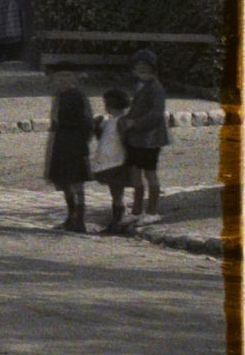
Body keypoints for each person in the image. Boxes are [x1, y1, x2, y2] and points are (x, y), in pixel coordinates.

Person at [123, 49, 171, 219]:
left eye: (146, 69)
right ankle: (136, 210)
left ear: (154, 70)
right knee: (135, 173)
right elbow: (136, 108)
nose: (142, 73)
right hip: (137, 138)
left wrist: (135, 123)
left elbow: (157, 114)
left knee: (150, 173)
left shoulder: (156, 88)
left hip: (151, 138)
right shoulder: (140, 86)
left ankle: (152, 211)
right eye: (138, 69)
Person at [45, 86, 95, 233]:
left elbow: (88, 129)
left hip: (76, 148)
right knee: (65, 182)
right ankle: (71, 216)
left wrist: (82, 143)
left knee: (77, 184)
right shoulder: (59, 101)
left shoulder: (80, 120)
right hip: (61, 147)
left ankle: (79, 220)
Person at [91, 87, 132, 234]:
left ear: (109, 106)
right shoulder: (111, 121)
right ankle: (119, 218)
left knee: (116, 192)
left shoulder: (121, 122)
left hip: (118, 161)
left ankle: (118, 220)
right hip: (111, 161)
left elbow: (127, 142)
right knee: (115, 191)